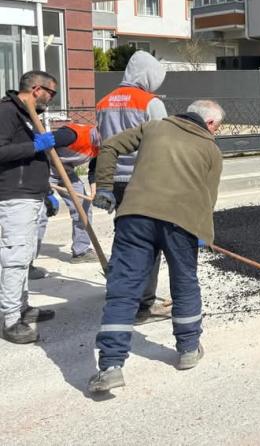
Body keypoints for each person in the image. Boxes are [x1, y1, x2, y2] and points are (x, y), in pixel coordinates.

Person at [88, 100, 224, 394]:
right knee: (185, 283)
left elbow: (109, 146)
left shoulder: (154, 128)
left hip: (135, 217)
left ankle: (110, 366)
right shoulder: (211, 149)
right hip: (182, 223)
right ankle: (188, 350)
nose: (217, 132)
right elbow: (208, 197)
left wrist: (106, 188)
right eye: (218, 127)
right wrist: (203, 234)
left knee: (123, 288)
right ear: (210, 124)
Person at [96, 50, 170, 323]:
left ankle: (118, 289)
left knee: (124, 237)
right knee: (149, 243)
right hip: (143, 180)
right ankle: (143, 303)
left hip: (113, 180)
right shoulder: (149, 103)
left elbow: (101, 141)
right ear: (148, 74)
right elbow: (163, 144)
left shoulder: (104, 102)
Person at [0, 71, 65, 344]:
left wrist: (46, 190)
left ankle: (22, 308)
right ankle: (10, 319)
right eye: (51, 94)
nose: (50, 101)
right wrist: (35, 145)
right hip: (14, 195)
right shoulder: (7, 112)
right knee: (14, 257)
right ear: (37, 89)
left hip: (31, 194)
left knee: (25, 256)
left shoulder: (28, 115)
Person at [32, 124, 100, 264]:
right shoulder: (72, 135)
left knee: (83, 207)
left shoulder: (102, 144)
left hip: (66, 171)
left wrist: (94, 187)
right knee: (41, 213)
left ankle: (81, 251)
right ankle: (27, 262)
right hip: (44, 169)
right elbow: (38, 147)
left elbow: (94, 166)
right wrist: (46, 191)